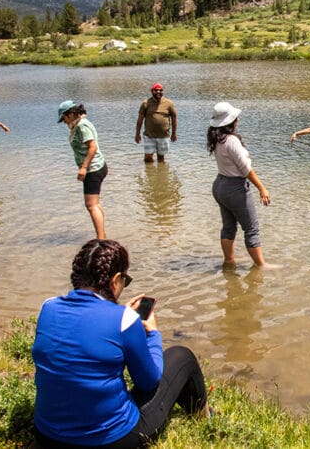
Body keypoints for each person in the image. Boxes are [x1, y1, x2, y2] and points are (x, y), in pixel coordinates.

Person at [32, 239, 208, 448]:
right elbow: (149, 381)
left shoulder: (48, 307)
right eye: (126, 279)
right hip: (112, 440)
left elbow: (86, 329)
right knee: (182, 356)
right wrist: (152, 334)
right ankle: (204, 419)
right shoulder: (124, 319)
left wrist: (120, 315)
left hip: (47, 436)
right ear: (115, 279)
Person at [207, 102, 271, 267]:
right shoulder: (231, 141)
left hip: (219, 185)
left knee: (228, 226)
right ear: (231, 121)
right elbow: (245, 169)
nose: (238, 120)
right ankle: (261, 266)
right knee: (251, 229)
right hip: (234, 188)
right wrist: (262, 188)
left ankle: (229, 261)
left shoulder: (217, 138)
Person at [58, 100, 108, 239]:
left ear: (72, 114)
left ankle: (101, 240)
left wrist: (84, 168)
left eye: (64, 118)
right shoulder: (79, 124)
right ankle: (102, 234)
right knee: (95, 204)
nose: (64, 121)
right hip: (97, 167)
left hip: (93, 169)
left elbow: (93, 147)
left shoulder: (82, 126)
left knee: (91, 205)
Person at [135, 83, 177, 163]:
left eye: (160, 90)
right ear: (152, 91)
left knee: (161, 159)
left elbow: (174, 118)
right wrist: (137, 134)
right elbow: (140, 120)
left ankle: (158, 174)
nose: (158, 92)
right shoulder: (145, 103)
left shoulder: (169, 103)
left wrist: (174, 133)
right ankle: (150, 171)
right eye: (156, 90)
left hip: (163, 135)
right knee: (148, 158)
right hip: (149, 136)